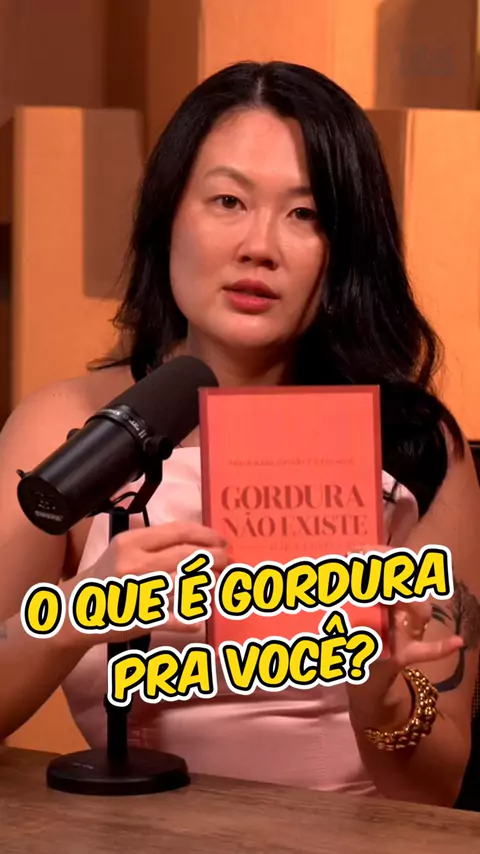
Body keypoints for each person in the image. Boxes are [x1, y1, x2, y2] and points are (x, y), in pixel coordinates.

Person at [0, 60, 479, 807]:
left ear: (345, 248)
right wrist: (79, 610)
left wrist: (383, 700)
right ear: (167, 218)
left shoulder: (414, 447)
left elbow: (436, 796)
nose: (260, 246)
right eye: (228, 200)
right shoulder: (66, 426)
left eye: (305, 214)